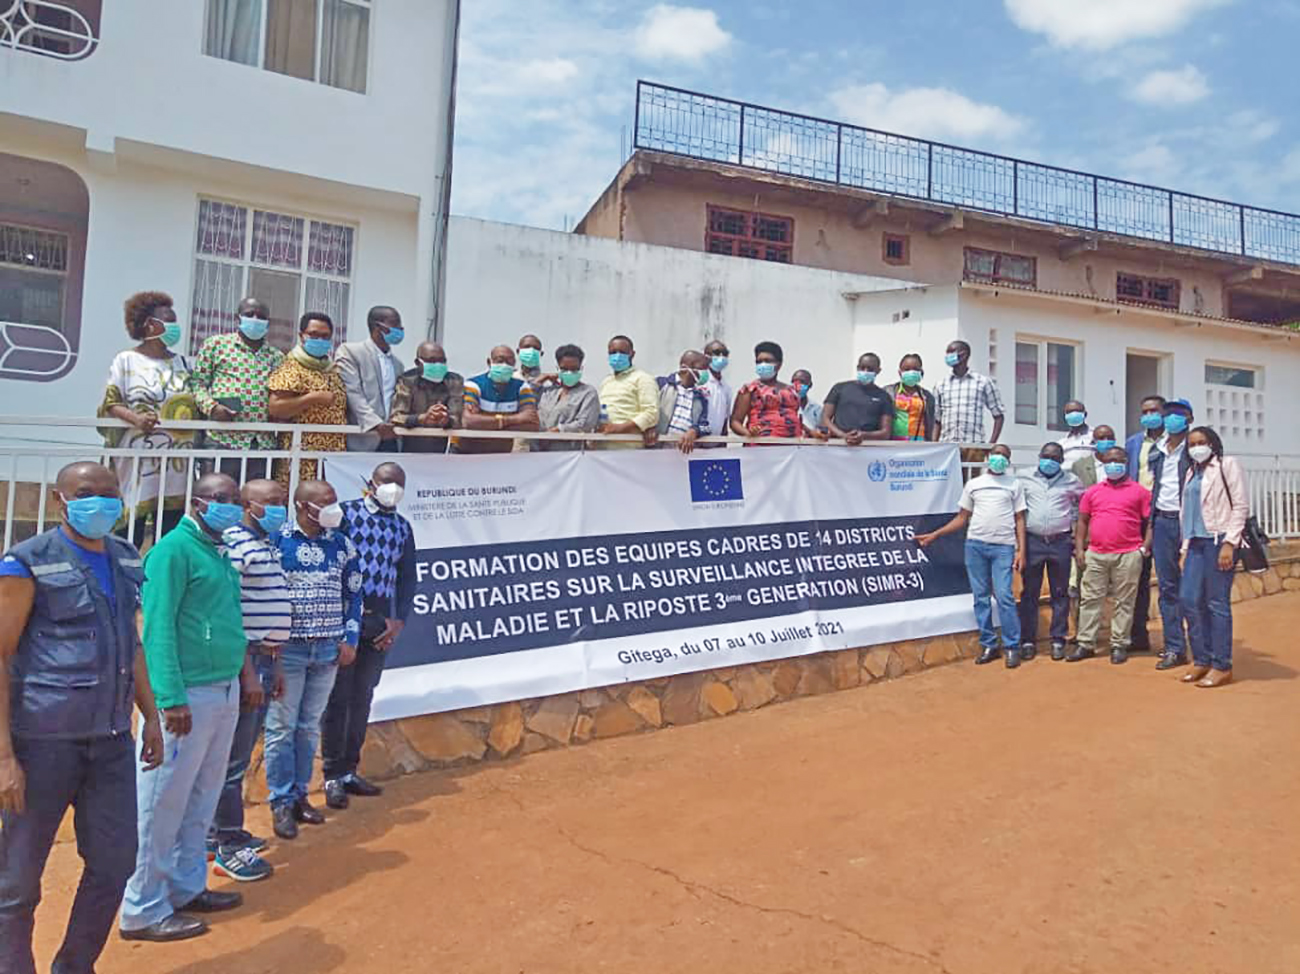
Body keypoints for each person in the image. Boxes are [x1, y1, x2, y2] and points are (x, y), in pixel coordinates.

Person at [0, 463, 164, 965]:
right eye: (86, 494)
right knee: (17, 882)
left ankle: (74, 965)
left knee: (116, 863)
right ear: (60, 500)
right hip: (42, 742)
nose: (101, 503)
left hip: (111, 740)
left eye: (110, 494)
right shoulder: (25, 562)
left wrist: (150, 714)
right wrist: (5, 756)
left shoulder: (123, 557)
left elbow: (129, 643)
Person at [120, 473, 248, 941]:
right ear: (197, 503)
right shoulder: (173, 551)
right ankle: (142, 907)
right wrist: (167, 699)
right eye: (222, 499)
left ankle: (186, 886)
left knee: (201, 795)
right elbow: (156, 629)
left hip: (222, 689)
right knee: (159, 802)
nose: (230, 506)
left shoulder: (217, 551)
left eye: (235, 499)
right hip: (186, 696)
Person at [265, 480, 362, 840]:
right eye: (326, 503)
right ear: (305, 507)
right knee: (280, 728)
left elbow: (354, 594)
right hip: (286, 652)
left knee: (307, 727)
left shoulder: (342, 544)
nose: (335, 508)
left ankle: (300, 796)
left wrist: (349, 638)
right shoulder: (277, 541)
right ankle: (279, 800)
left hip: (327, 650)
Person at [207, 479, 291, 883]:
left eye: (281, 501)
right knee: (233, 760)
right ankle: (228, 846)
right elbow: (231, 610)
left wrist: (272, 665)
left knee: (233, 757)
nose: (279, 509)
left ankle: (216, 833)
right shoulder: (237, 543)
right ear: (248, 506)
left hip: (264, 658)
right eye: (271, 502)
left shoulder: (265, 543)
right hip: (247, 661)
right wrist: (248, 672)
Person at [322, 464, 415, 808]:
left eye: (399, 484)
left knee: (362, 697)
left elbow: (408, 578)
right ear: (371, 484)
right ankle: (331, 775)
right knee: (338, 698)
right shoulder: (345, 514)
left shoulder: (403, 528)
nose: (393, 489)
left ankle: (349, 770)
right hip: (344, 617)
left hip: (378, 623)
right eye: (387, 483)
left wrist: (398, 621)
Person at [98, 291, 198, 544]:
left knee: (170, 531)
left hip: (177, 461)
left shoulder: (183, 363)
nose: (175, 327)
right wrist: (136, 419)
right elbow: (111, 402)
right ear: (149, 324)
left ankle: (158, 580)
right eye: (169, 321)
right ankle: (126, 579)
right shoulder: (127, 360)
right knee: (130, 530)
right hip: (137, 457)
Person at [916, 445, 1026, 667]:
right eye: (996, 455)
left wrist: (1021, 550)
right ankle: (989, 644)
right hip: (975, 546)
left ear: (1009, 460)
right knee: (980, 597)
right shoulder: (974, 485)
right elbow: (962, 518)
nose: (999, 459)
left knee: (1004, 596)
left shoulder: (1014, 484)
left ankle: (1012, 646)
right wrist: (935, 534)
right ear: (988, 457)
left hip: (1003, 547)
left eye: (1004, 456)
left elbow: (1020, 519)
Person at [1178, 427, 1248, 688]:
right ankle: (1201, 659)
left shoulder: (1226, 465)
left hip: (1219, 542)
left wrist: (1230, 543)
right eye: (1192, 444)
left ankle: (1221, 665)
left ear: (1213, 444)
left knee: (1216, 603)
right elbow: (1189, 514)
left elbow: (1240, 505)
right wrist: (1184, 549)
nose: (1197, 447)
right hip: (1195, 543)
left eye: (1202, 442)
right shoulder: (1190, 472)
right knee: (1188, 599)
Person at [1070, 447, 1152, 665]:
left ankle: (1119, 644)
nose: (1113, 464)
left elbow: (1150, 522)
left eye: (1118, 460)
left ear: (1125, 462)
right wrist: (1079, 549)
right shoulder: (1093, 492)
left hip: (1128, 553)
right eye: (1109, 461)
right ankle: (1085, 643)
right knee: (1089, 599)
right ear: (1102, 463)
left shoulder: (1140, 492)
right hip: (1096, 553)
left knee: (1124, 601)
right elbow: (1082, 521)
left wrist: (1144, 548)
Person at [191, 297, 283, 481]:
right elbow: (197, 384)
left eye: (261, 316)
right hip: (223, 439)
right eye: (250, 315)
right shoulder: (216, 345)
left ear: (268, 323)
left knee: (256, 502)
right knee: (218, 497)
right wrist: (212, 408)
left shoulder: (276, 356)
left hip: (261, 443)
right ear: (238, 318)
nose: (255, 319)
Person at [1018, 442, 1084, 661]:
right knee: (1030, 593)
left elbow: (1083, 507)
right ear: (1039, 456)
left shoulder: (1072, 481)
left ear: (1062, 461)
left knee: (1060, 592)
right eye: (1046, 456)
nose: (1050, 461)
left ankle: (1058, 639)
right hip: (1033, 541)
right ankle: (1027, 640)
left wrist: (1078, 536)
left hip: (1060, 542)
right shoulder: (1023, 477)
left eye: (1055, 458)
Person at [267, 312, 348, 485]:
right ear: (301, 336)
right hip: (302, 455)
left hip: (332, 457)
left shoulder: (331, 368)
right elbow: (276, 408)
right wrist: (312, 398)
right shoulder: (292, 367)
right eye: (313, 335)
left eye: (325, 336)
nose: (319, 340)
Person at [1150, 399, 1195, 670]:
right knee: (1167, 588)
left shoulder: (1195, 449)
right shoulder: (1157, 451)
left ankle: (1202, 647)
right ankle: (1174, 647)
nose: (1171, 419)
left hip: (1189, 524)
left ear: (1189, 417)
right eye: (1167, 414)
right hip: (1162, 523)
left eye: (1177, 414)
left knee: (1192, 588)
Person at [1124, 394, 1166, 652]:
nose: (1149, 414)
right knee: (1136, 577)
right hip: (1136, 517)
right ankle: (1138, 634)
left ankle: (1175, 638)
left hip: (1163, 515)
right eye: (1145, 410)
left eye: (1154, 410)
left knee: (1168, 579)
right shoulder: (1133, 443)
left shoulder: (1172, 443)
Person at [335, 306, 407, 453]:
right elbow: (353, 392)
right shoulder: (351, 352)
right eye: (395, 324)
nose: (400, 329)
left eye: (401, 326)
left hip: (392, 438)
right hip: (364, 437)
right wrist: (375, 424)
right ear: (377, 327)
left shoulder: (398, 364)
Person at [460, 346, 540, 454]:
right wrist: (514, 419)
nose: (504, 365)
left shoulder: (522, 387)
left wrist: (485, 423)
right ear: (489, 362)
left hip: (503, 455)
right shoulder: (473, 385)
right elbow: (469, 422)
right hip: (470, 454)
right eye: (500, 360)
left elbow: (532, 424)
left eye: (509, 362)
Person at [933, 340, 1005, 458]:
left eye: (951, 352)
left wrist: (990, 444)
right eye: (947, 353)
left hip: (974, 445)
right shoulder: (941, 384)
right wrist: (934, 445)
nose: (948, 356)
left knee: (973, 476)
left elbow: (998, 415)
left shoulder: (982, 382)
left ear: (964, 354)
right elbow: (937, 420)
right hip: (947, 446)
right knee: (949, 477)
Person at [390, 341, 463, 454]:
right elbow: (396, 417)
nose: (438, 365)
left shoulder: (454, 381)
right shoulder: (407, 380)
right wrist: (422, 418)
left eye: (442, 361)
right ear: (418, 363)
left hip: (444, 451)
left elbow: (458, 418)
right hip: (410, 450)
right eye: (432, 361)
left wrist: (446, 419)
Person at [730, 341, 803, 440]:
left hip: (791, 448)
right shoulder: (750, 389)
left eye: (767, 361)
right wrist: (748, 434)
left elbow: (795, 417)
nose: (763, 364)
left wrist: (811, 432)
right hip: (760, 447)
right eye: (759, 361)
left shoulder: (791, 391)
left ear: (779, 364)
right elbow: (735, 422)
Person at [534, 343, 601, 452]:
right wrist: (541, 379)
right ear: (558, 369)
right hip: (539, 451)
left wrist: (558, 431)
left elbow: (585, 424)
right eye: (564, 369)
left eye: (574, 369)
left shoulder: (588, 393)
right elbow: (527, 403)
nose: (569, 373)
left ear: (581, 368)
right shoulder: (548, 392)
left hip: (570, 454)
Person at [599, 335, 659, 448]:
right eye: (612, 352)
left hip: (628, 447)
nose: (617, 356)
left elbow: (651, 413)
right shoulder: (606, 381)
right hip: (602, 446)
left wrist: (621, 428)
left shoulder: (643, 379)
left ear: (632, 354)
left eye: (622, 352)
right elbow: (602, 410)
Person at [823, 353, 895, 444]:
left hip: (868, 449)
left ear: (878, 370)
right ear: (857, 368)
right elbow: (825, 419)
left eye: (870, 369)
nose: (865, 371)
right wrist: (843, 436)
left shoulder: (884, 396)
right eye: (862, 368)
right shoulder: (839, 388)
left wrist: (863, 435)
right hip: (838, 446)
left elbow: (885, 433)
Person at [656, 350, 712, 454]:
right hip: (657, 450)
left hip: (682, 453)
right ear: (685, 367)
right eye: (702, 368)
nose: (705, 373)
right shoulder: (662, 385)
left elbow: (707, 427)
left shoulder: (701, 398)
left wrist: (694, 431)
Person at [885, 353, 936, 441]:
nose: (911, 372)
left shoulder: (927, 396)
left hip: (919, 443)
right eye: (907, 369)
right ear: (900, 372)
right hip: (893, 443)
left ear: (921, 372)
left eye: (915, 369)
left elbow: (931, 421)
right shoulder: (888, 392)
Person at [701, 339, 734, 445]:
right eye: (716, 353)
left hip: (715, 447)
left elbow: (725, 421)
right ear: (706, 356)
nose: (721, 356)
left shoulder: (726, 388)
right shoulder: (699, 381)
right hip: (695, 445)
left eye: (725, 354)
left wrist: (723, 445)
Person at [1055, 399, 1095, 469]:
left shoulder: (1096, 436)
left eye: (1077, 411)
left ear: (1085, 414)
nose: (1073, 414)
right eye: (1069, 412)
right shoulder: (1062, 443)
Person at [791, 369, 826, 437]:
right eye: (794, 381)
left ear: (810, 385)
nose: (798, 385)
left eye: (802, 382)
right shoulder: (784, 405)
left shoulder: (817, 408)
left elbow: (822, 431)